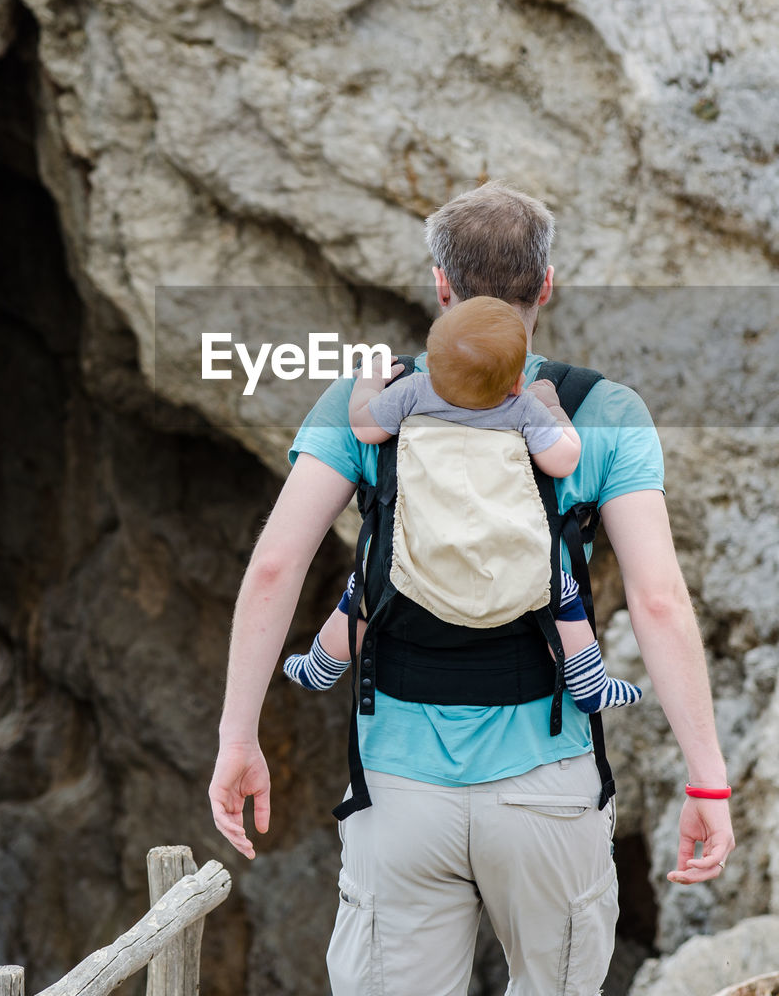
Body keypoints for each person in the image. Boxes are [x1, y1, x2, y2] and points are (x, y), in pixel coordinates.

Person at [209, 181, 735, 996]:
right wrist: (705, 777)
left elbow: (276, 566)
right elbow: (659, 598)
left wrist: (238, 738)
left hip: (399, 789)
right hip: (550, 787)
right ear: (547, 286)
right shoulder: (601, 410)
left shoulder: (376, 402)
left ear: (441, 285)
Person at [283, 295, 643, 719]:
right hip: (512, 570)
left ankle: (321, 667)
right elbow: (564, 459)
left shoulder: (413, 392)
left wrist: (366, 384)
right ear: (515, 383)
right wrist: (551, 407)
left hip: (418, 564)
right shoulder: (524, 407)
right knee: (561, 595)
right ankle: (589, 684)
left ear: (431, 366)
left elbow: (365, 428)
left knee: (360, 590)